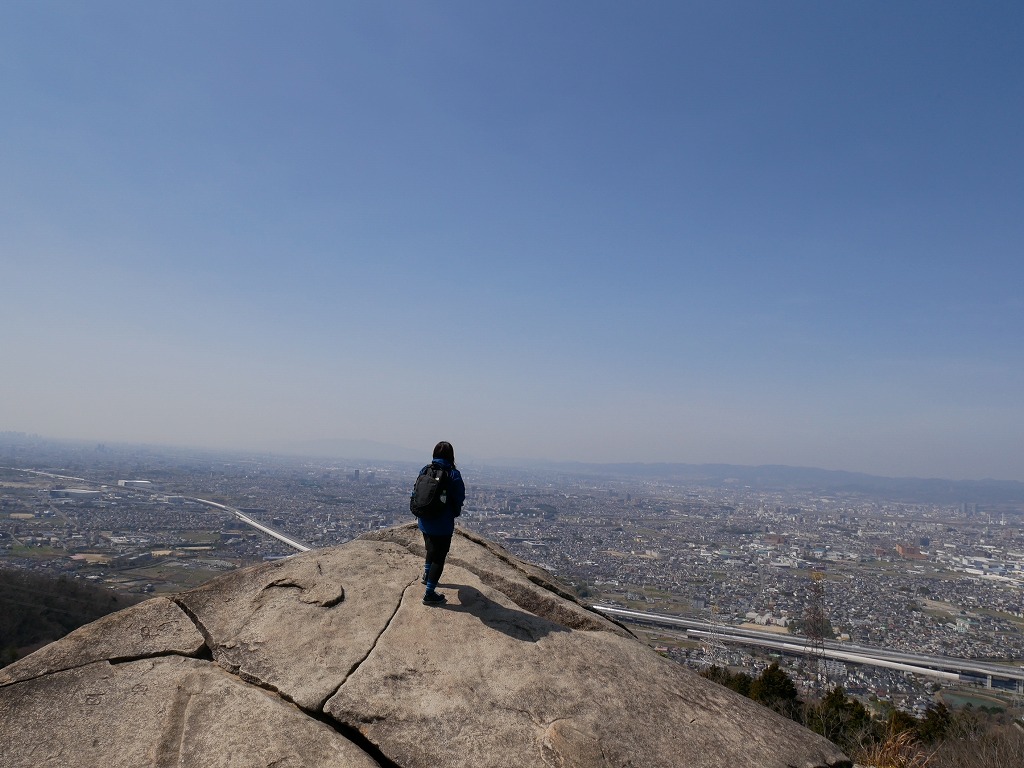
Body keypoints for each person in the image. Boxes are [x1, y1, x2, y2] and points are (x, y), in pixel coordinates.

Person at [415, 441, 466, 606]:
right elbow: (459, 497)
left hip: (424, 519)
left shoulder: (426, 469)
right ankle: (429, 594)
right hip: (442, 524)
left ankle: (426, 575)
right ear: (451, 456)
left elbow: (416, 491)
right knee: (439, 557)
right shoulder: (453, 474)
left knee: (430, 549)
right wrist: (455, 511)